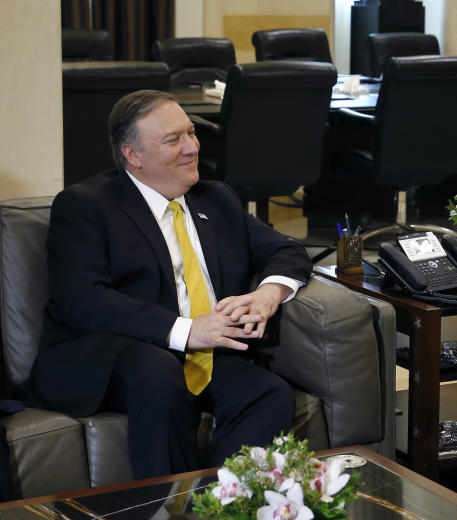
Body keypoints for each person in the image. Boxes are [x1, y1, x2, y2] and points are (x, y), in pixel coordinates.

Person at [29, 89, 312, 479]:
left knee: (269, 393)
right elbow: (82, 300)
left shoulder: (216, 199)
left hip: (205, 354)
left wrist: (268, 294)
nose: (191, 147)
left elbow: (288, 251)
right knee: (159, 373)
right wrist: (186, 330)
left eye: (191, 133)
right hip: (119, 353)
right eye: (173, 140)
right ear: (133, 155)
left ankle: (219, 513)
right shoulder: (85, 206)